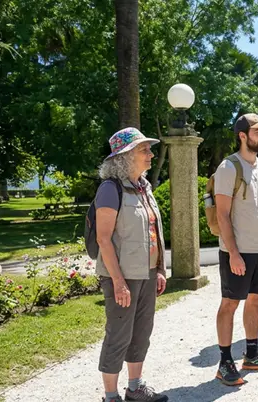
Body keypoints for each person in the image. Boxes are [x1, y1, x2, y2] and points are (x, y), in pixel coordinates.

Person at [95, 127, 169, 402]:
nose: (151, 154)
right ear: (125, 157)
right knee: (119, 335)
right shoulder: (110, 189)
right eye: (144, 149)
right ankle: (110, 396)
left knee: (141, 333)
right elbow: (103, 239)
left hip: (146, 273)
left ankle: (135, 388)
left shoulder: (144, 187)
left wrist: (159, 269)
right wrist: (118, 281)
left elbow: (153, 231)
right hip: (122, 275)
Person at [213, 113, 258, 386]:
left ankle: (252, 355)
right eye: (257, 132)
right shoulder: (228, 167)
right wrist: (233, 253)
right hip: (237, 251)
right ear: (242, 136)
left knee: (256, 300)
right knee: (230, 303)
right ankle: (224, 362)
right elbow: (222, 214)